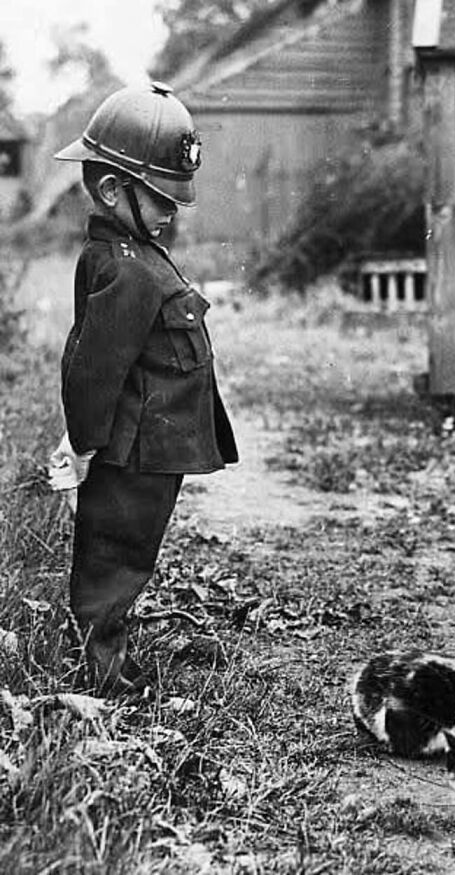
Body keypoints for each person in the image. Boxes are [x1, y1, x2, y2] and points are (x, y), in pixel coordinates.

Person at [48, 82, 238, 700]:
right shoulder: (127, 266)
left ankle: (111, 656)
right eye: (161, 198)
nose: (173, 211)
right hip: (135, 449)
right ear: (112, 191)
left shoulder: (138, 252)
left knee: (130, 554)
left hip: (152, 447)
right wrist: (82, 444)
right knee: (116, 558)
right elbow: (93, 365)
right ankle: (101, 675)